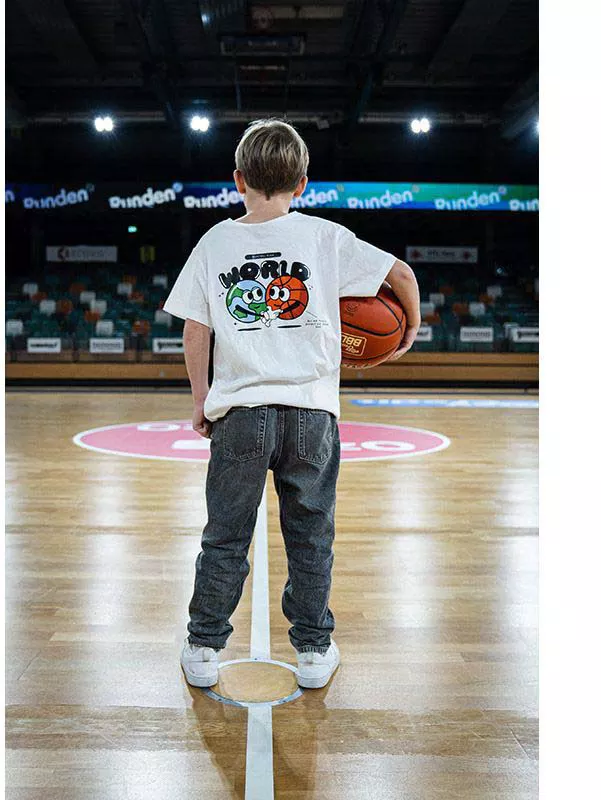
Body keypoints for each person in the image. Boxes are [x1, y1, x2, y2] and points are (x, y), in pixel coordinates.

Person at [164, 119, 421, 690]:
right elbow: (401, 273)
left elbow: (195, 329)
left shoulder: (215, 242)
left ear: (238, 180)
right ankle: (312, 651)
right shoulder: (326, 237)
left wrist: (201, 398)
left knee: (224, 535)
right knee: (310, 536)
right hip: (311, 414)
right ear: (302, 184)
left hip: (241, 414)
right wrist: (407, 332)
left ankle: (204, 646)